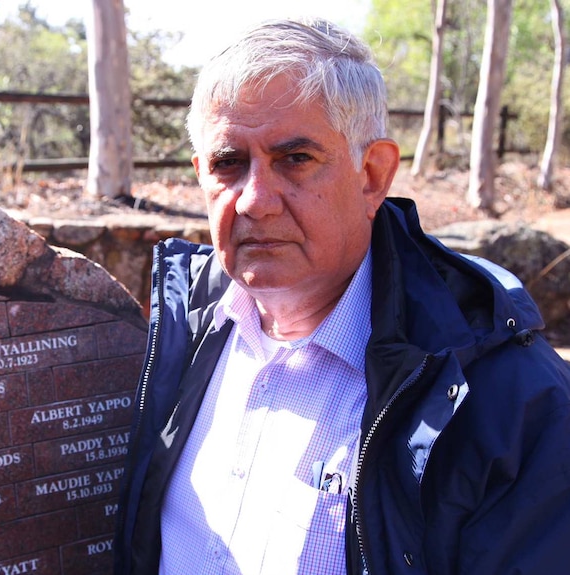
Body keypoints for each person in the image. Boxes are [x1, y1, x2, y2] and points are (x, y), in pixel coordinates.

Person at [113, 17, 570, 575]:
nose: (255, 200)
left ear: (373, 175)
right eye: (228, 163)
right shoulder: (183, 330)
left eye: (295, 159)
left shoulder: (509, 400)